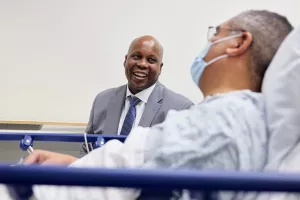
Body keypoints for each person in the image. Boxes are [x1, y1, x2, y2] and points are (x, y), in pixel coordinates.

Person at [4, 10, 293, 200]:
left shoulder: (225, 119)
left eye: (214, 34)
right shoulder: (250, 116)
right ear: (125, 60)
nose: (207, 46)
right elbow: (137, 163)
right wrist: (75, 165)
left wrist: (23, 185)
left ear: (238, 43)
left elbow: (129, 167)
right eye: (136, 57)